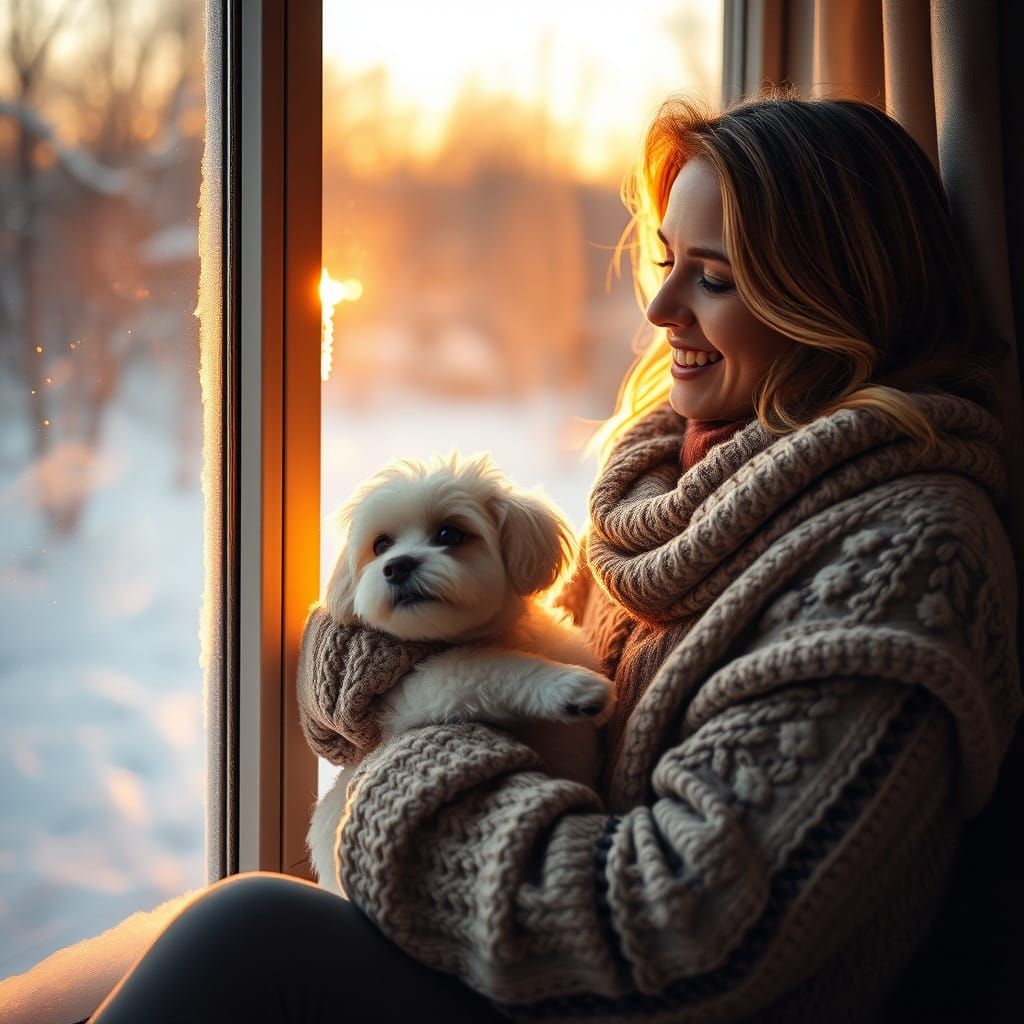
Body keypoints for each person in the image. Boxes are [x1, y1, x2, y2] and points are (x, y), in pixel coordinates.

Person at [33, 92, 1021, 1022]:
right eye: (665, 259)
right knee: (167, 941)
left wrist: (400, 774)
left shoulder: (903, 547)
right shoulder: (667, 500)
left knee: (248, 933)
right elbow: (374, 709)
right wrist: (373, 657)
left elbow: (683, 925)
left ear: (833, 301)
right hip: (520, 971)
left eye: (714, 277)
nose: (661, 307)